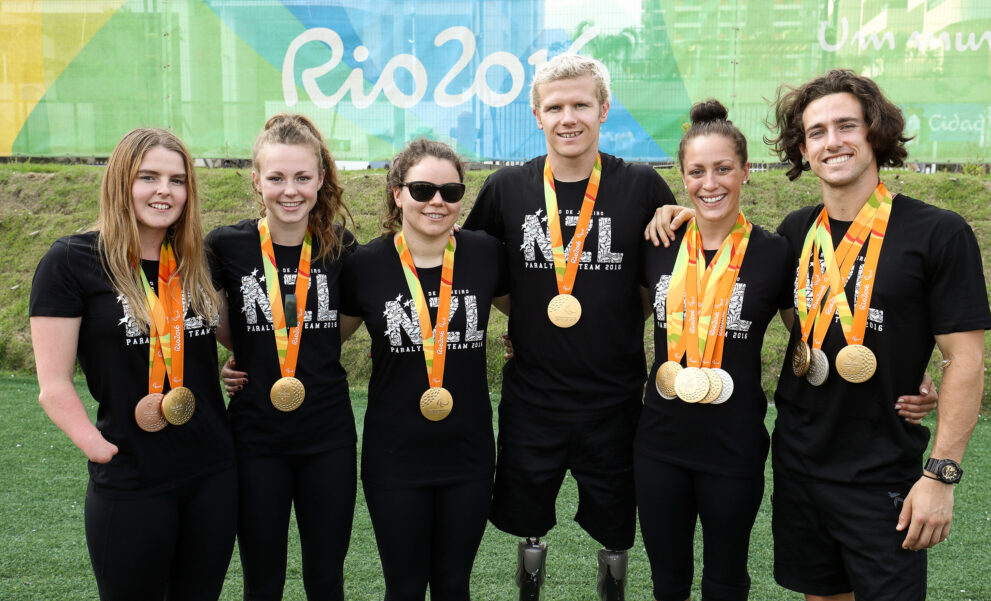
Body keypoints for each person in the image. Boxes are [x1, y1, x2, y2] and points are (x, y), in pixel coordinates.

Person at [764, 69, 991, 601]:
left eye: (847, 126)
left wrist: (940, 475)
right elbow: (795, 314)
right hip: (799, 463)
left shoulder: (938, 232)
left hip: (882, 473)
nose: (832, 141)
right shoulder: (797, 231)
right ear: (803, 148)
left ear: (875, 133)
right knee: (821, 595)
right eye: (816, 132)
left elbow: (967, 361)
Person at [462, 53, 677, 600]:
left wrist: (692, 215)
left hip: (615, 395)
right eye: (554, 106)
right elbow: (471, 270)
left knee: (616, 522)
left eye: (581, 104)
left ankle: (612, 590)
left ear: (604, 109)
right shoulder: (507, 189)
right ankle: (528, 587)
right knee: (528, 515)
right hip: (533, 392)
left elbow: (676, 277)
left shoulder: (643, 187)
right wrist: (527, 316)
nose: (568, 117)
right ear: (537, 115)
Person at [29, 128, 237, 600]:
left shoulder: (196, 258)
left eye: (177, 179)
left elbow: (220, 340)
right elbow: (53, 384)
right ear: (121, 182)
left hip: (212, 473)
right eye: (148, 176)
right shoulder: (71, 261)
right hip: (131, 476)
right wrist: (99, 450)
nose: (165, 190)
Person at [635, 100, 794, 601]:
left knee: (726, 578)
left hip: (734, 444)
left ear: (745, 172)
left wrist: (909, 373)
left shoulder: (775, 252)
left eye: (724, 169)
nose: (711, 183)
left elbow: (813, 330)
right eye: (697, 171)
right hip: (659, 442)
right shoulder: (659, 241)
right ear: (682, 176)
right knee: (668, 579)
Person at [337, 138, 509, 600]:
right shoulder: (366, 264)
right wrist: (246, 361)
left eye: (451, 192)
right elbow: (321, 343)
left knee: (454, 586)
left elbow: (532, 317)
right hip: (395, 455)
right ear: (397, 193)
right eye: (422, 189)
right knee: (405, 586)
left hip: (468, 453)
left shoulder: (487, 254)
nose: (437, 201)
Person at [207, 114, 357, 601]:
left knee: (325, 581)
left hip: (328, 436)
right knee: (262, 582)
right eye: (276, 178)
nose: (289, 190)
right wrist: (244, 357)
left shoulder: (342, 248)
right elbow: (222, 326)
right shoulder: (225, 246)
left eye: (301, 177)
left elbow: (344, 327)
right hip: (255, 438)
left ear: (320, 179)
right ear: (257, 181)